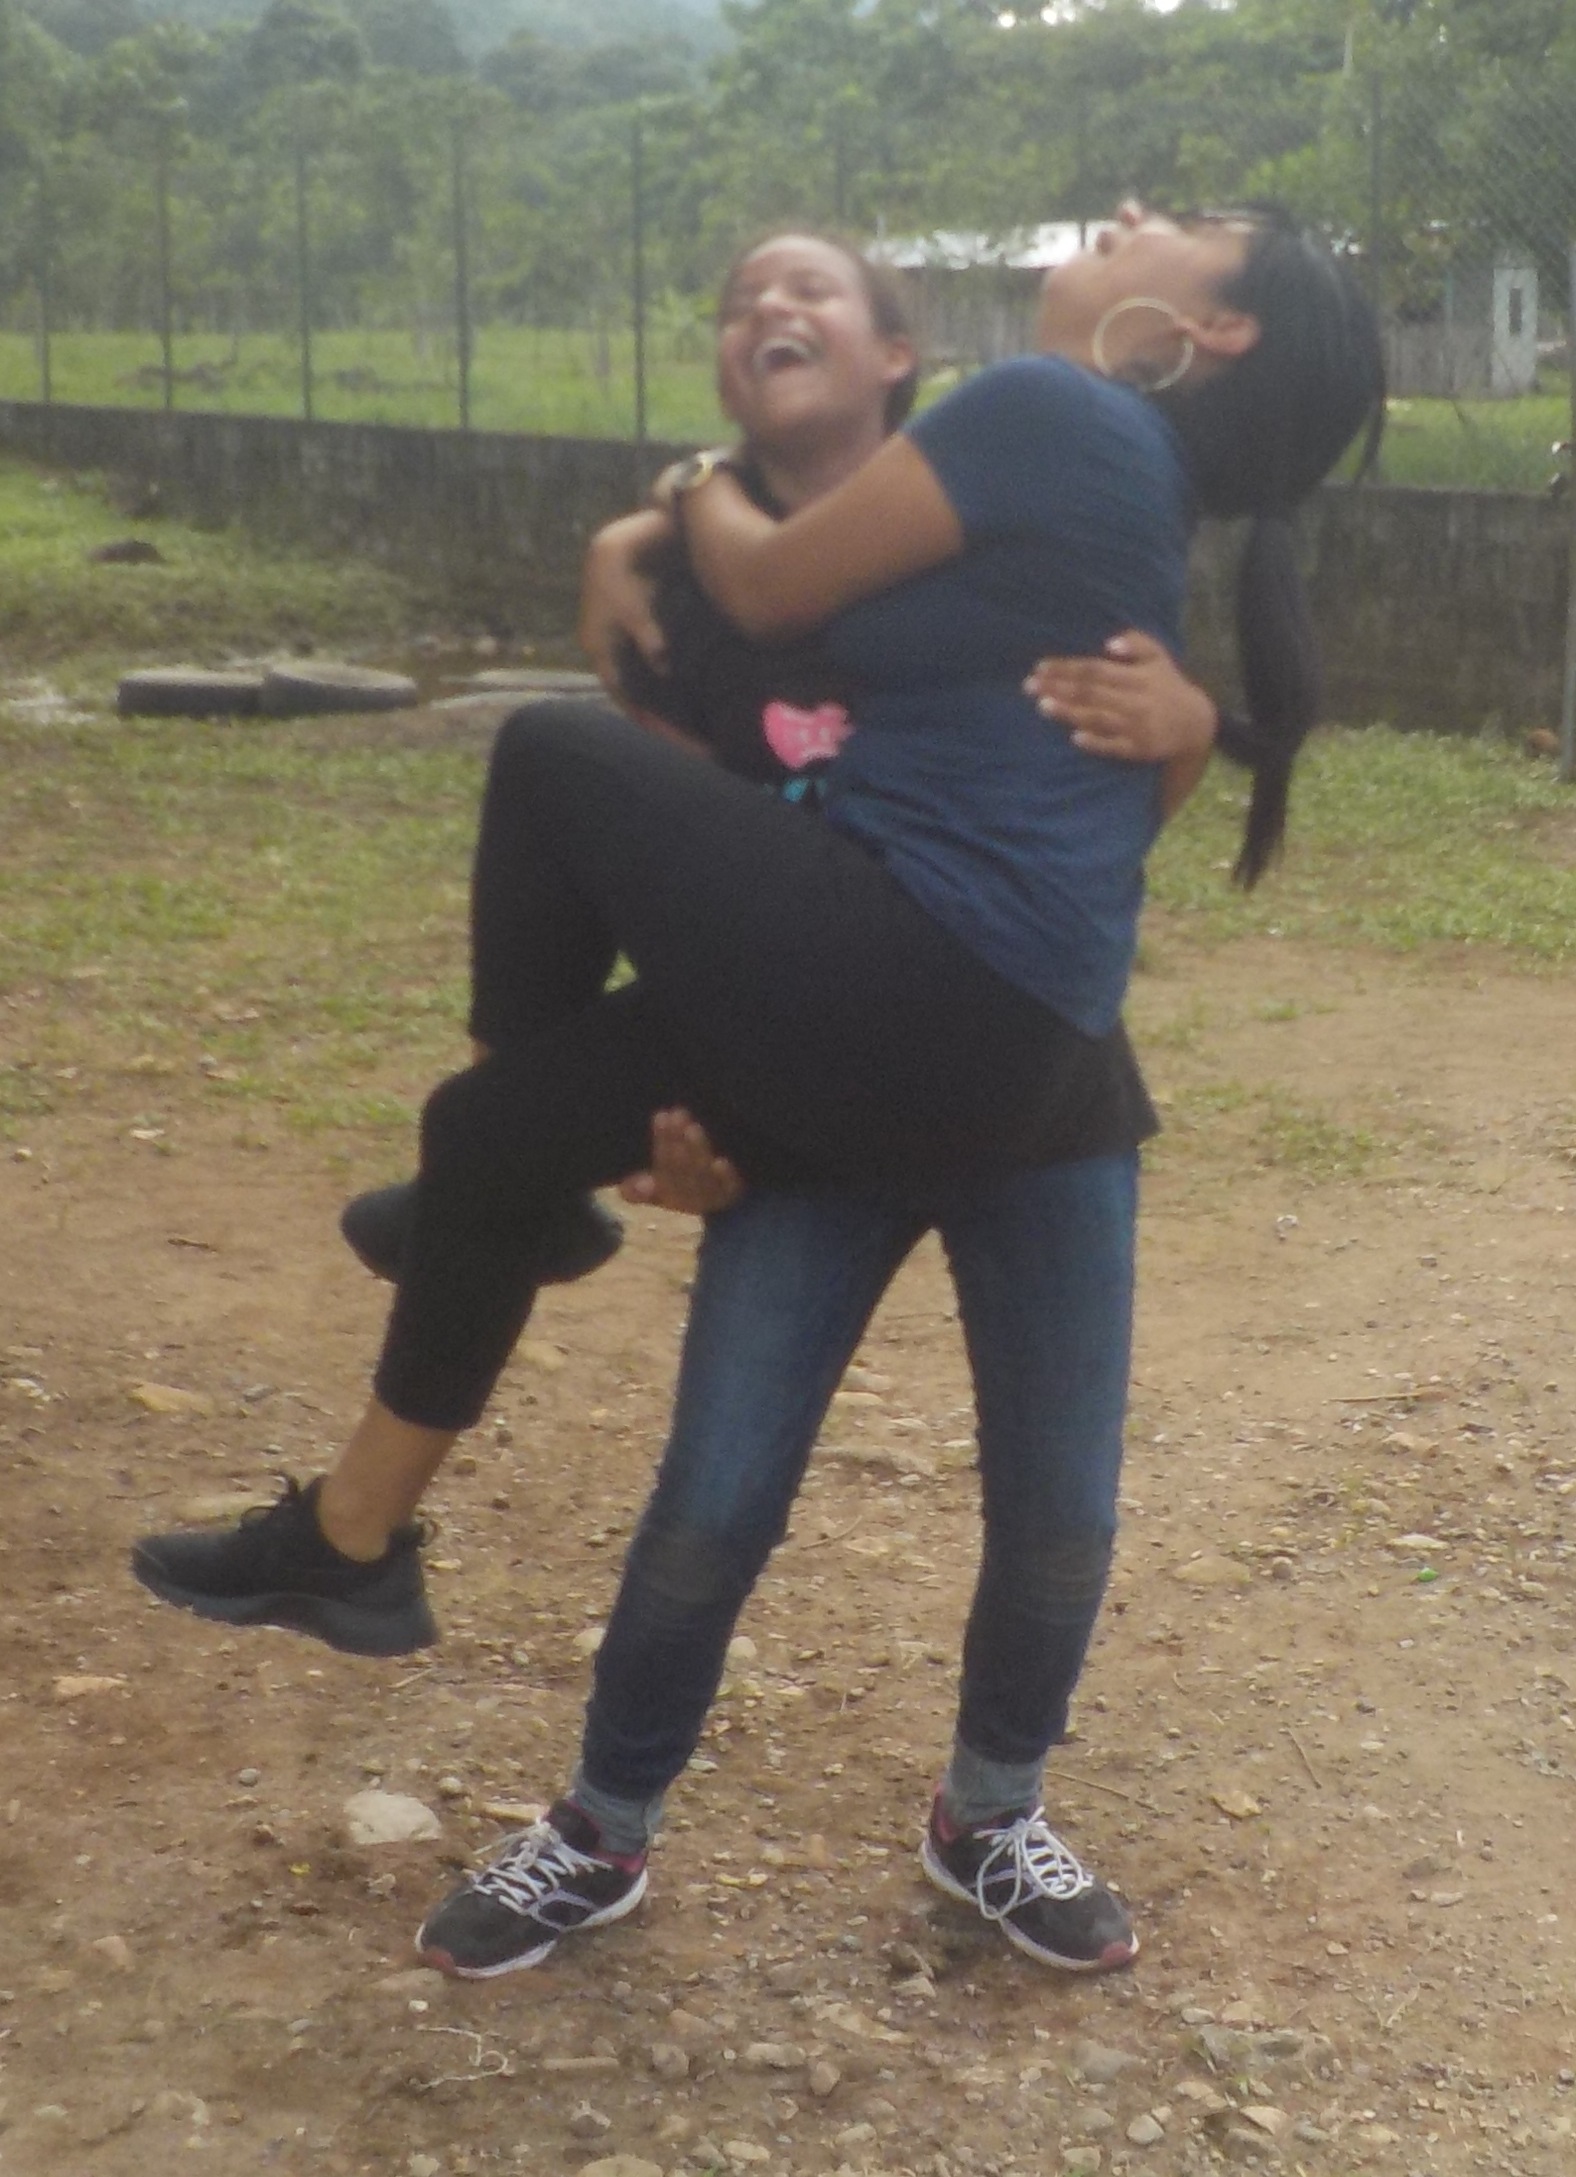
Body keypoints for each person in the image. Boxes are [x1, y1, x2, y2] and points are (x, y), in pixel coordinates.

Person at [132, 211, 1382, 1971]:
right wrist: (652, 543)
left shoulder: (1047, 430)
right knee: (583, 1292)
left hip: (985, 1040)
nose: (1125, 223)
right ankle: (503, 1707)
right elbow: (729, 822)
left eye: (1178, 228)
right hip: (849, 1018)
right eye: (740, 306)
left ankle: (988, 1810)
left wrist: (1174, 730)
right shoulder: (878, 535)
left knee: (1056, 1513)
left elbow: (994, 757)